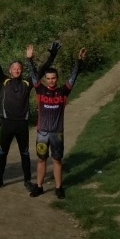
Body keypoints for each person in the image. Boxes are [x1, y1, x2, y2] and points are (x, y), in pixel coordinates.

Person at [0, 39, 60, 191]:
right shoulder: (4, 81)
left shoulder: (27, 83)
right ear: (9, 70)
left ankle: (28, 180)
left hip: (21, 123)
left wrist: (51, 56)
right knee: (2, 152)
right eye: (14, 68)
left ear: (21, 71)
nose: (17, 70)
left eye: (19, 68)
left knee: (25, 153)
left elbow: (41, 71)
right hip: (7, 123)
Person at [27, 46, 87, 199]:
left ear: (57, 79)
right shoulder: (40, 90)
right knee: (41, 160)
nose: (51, 81)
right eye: (48, 78)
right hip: (42, 132)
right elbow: (34, 76)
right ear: (45, 80)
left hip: (57, 132)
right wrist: (29, 60)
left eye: (53, 78)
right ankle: (39, 186)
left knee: (57, 160)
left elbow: (74, 77)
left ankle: (59, 187)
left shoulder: (63, 91)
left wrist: (79, 61)